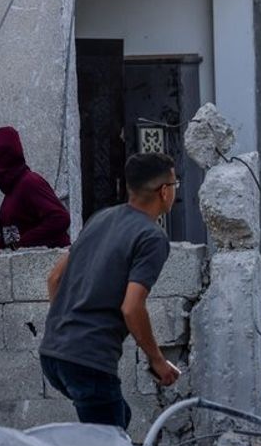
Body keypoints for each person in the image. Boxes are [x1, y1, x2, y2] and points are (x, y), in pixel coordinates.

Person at [39, 152, 182, 429]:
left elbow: (55, 278)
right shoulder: (151, 237)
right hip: (88, 362)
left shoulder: (101, 218)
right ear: (165, 192)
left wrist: (66, 332)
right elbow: (132, 307)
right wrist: (158, 360)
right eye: (174, 185)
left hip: (53, 354)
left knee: (117, 419)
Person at [0, 126, 70, 250]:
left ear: (1, 166)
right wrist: (0, 244)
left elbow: (60, 218)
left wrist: (22, 244)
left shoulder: (30, 183)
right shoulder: (12, 192)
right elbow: (16, 234)